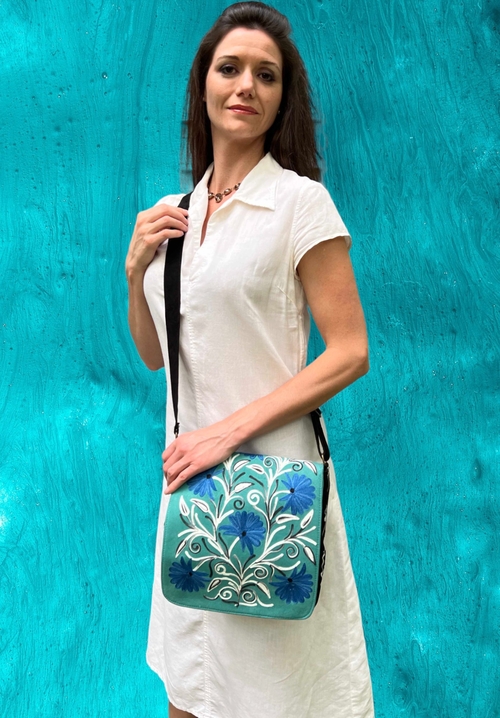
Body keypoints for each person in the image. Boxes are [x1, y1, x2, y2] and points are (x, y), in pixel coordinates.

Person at [125, 3, 374, 716]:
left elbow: (351, 351)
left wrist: (223, 434)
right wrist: (134, 271)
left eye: (266, 75)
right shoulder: (173, 214)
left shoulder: (300, 205)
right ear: (202, 84)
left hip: (272, 500)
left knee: (277, 696)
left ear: (281, 100)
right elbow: (155, 356)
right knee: (190, 687)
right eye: (229, 68)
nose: (246, 85)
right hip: (193, 501)